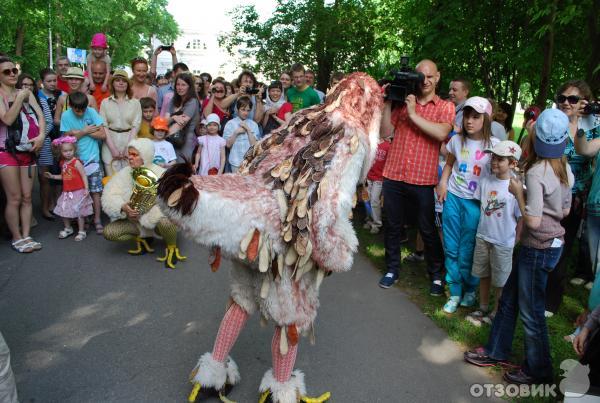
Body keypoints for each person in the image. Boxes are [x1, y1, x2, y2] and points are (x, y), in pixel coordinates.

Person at [465, 109, 573, 386]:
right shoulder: (563, 167)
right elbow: (565, 209)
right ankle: (495, 350)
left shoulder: (537, 171)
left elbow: (533, 221)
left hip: (537, 248)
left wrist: (519, 194)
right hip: (550, 246)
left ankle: (539, 369)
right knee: (510, 300)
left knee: (531, 310)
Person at [378, 59, 453, 295]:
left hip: (422, 179)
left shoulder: (445, 107)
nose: (425, 81)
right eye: (421, 77)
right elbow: (385, 133)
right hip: (395, 173)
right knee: (392, 225)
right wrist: (388, 103)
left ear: (438, 77)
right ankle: (392, 269)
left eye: (430, 77)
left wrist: (412, 114)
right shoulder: (403, 102)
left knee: (427, 229)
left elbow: (441, 132)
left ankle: (437, 275)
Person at [436, 97, 499, 313]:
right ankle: (454, 290)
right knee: (451, 248)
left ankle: (471, 288)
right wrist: (443, 183)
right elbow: (450, 164)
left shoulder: (494, 146)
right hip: (453, 198)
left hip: (475, 204)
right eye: (467, 116)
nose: (469, 121)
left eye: (476, 117)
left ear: (486, 119)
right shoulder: (457, 140)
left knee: (469, 250)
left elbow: (500, 176)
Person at [546, 80, 597, 317]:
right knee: (542, 243)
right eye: (562, 98)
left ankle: (551, 300)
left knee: (562, 249)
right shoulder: (551, 122)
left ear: (584, 103)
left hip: (574, 200)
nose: (566, 102)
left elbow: (586, 152)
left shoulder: (593, 127)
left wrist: (582, 121)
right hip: (549, 193)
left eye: (573, 99)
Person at [102, 138, 185, 269]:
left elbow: (175, 200)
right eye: (129, 154)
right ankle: (143, 239)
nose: (130, 158)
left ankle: (171, 248)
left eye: (134, 155)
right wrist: (123, 207)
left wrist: (151, 205)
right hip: (134, 221)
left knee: (167, 222)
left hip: (155, 219)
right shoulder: (124, 173)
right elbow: (109, 195)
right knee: (110, 232)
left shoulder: (162, 173)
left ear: (145, 156)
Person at [466, 140, 522, 326]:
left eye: (501, 159)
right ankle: (482, 306)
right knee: (483, 274)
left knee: (500, 280)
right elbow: (481, 206)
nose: (495, 162)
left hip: (503, 241)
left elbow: (521, 218)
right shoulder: (486, 181)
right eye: (494, 158)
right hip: (483, 236)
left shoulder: (516, 189)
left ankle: (497, 310)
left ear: (513, 163)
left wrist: (517, 239)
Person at [0, 56, 46, 253]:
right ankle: (16, 237)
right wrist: (19, 98)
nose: (12, 74)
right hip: (6, 151)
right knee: (15, 197)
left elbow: (41, 115)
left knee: (27, 197)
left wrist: (42, 136)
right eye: (6, 72)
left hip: (28, 149)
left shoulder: (27, 93)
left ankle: (27, 235)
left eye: (14, 71)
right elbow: (8, 120)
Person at [60, 91, 106, 234]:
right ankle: (85, 219)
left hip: (93, 159)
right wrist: (85, 130)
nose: (81, 113)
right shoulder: (66, 115)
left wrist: (78, 132)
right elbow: (66, 141)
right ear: (71, 106)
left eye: (83, 109)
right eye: (77, 110)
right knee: (80, 193)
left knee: (95, 192)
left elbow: (103, 134)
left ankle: (97, 219)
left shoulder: (91, 112)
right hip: (74, 160)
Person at [574, 94, 600, 338]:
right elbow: (583, 149)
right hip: (595, 205)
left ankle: (589, 328)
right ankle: (589, 327)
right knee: (597, 269)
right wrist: (583, 125)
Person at [45, 136, 93, 241]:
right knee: (64, 210)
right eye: (65, 151)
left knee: (79, 212)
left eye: (70, 150)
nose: (68, 153)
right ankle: (68, 228)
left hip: (78, 191)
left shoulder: (76, 162)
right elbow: (63, 176)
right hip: (67, 192)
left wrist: (86, 188)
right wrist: (52, 176)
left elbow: (84, 175)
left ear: (74, 150)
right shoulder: (62, 163)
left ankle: (81, 231)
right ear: (61, 152)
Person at [100, 69, 142, 176]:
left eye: (124, 80)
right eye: (117, 80)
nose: (121, 82)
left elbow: (136, 125)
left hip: (130, 142)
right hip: (110, 143)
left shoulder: (135, 103)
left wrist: (128, 147)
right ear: (112, 83)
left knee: (129, 178)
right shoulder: (105, 103)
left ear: (128, 84)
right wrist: (113, 149)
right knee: (111, 180)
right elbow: (103, 126)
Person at [37, 68, 63, 219]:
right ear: (42, 82)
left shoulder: (61, 95)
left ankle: (57, 202)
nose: (53, 84)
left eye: (55, 80)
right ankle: (46, 206)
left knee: (59, 171)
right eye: (49, 81)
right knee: (45, 174)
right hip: (45, 137)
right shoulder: (38, 96)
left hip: (59, 136)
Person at [165, 72, 200, 162]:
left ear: (189, 86)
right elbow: (165, 121)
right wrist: (173, 117)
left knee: (180, 169)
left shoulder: (192, 101)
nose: (180, 88)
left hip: (184, 141)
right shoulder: (173, 100)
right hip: (169, 140)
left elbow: (180, 124)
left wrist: (161, 136)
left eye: (183, 85)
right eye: (178, 84)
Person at [363, 133, 391, 234]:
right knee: (367, 199)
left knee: (375, 200)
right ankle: (370, 220)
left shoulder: (388, 146)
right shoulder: (371, 143)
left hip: (379, 178)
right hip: (369, 177)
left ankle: (377, 224)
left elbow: (389, 163)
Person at [223, 96, 260, 173]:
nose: (245, 113)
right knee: (236, 184)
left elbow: (255, 145)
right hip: (235, 161)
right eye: (243, 110)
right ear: (237, 109)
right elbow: (228, 145)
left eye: (248, 110)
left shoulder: (253, 124)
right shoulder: (230, 124)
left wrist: (248, 130)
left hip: (250, 162)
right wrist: (236, 133)